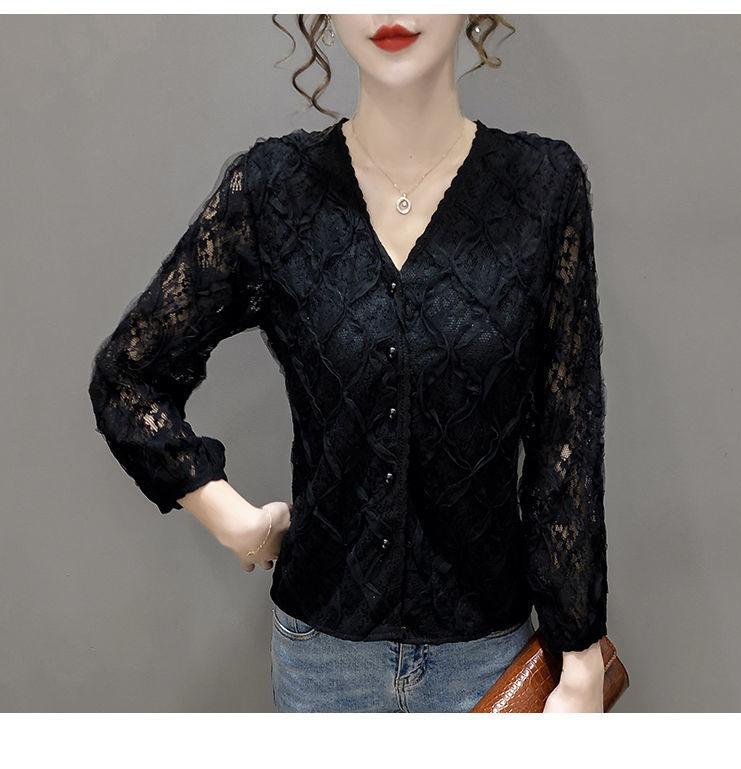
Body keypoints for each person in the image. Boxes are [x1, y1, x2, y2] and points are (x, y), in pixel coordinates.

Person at [88, 14, 609, 713]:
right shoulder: (276, 191)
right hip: (323, 666)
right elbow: (128, 375)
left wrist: (580, 653)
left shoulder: (541, 189)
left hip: (488, 664)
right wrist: (232, 519)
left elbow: (566, 434)